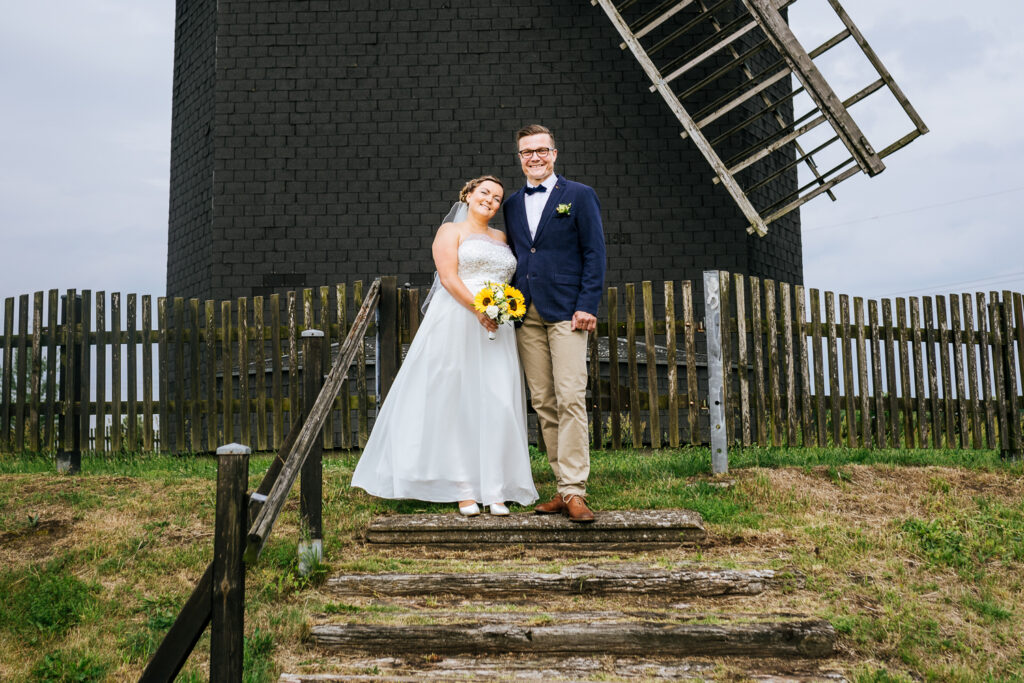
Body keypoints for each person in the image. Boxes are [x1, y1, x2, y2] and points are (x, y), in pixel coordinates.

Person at [351, 176, 538, 516]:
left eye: (497, 198)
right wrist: (479, 309)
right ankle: (463, 487)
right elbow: (450, 278)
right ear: (468, 195)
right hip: (457, 321)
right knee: (457, 400)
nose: (491, 201)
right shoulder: (449, 233)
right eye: (484, 193)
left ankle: (495, 487)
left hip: (497, 327)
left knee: (497, 402)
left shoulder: (503, 238)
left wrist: (499, 309)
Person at [503, 124, 606, 523]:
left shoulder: (578, 196)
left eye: (541, 151)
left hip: (567, 312)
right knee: (544, 402)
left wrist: (587, 304)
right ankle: (562, 487)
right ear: (520, 158)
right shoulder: (511, 204)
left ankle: (576, 490)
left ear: (554, 154)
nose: (534, 158)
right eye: (527, 152)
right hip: (525, 315)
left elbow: (594, 253)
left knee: (571, 397)